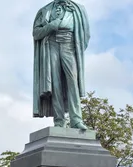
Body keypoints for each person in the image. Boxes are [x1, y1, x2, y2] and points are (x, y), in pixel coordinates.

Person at [32, 0, 90, 130]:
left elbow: (85, 34)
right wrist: (52, 25)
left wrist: (77, 50)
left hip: (69, 45)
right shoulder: (45, 10)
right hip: (51, 45)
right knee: (55, 83)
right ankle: (59, 120)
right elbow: (36, 33)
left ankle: (76, 120)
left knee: (72, 82)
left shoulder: (79, 9)